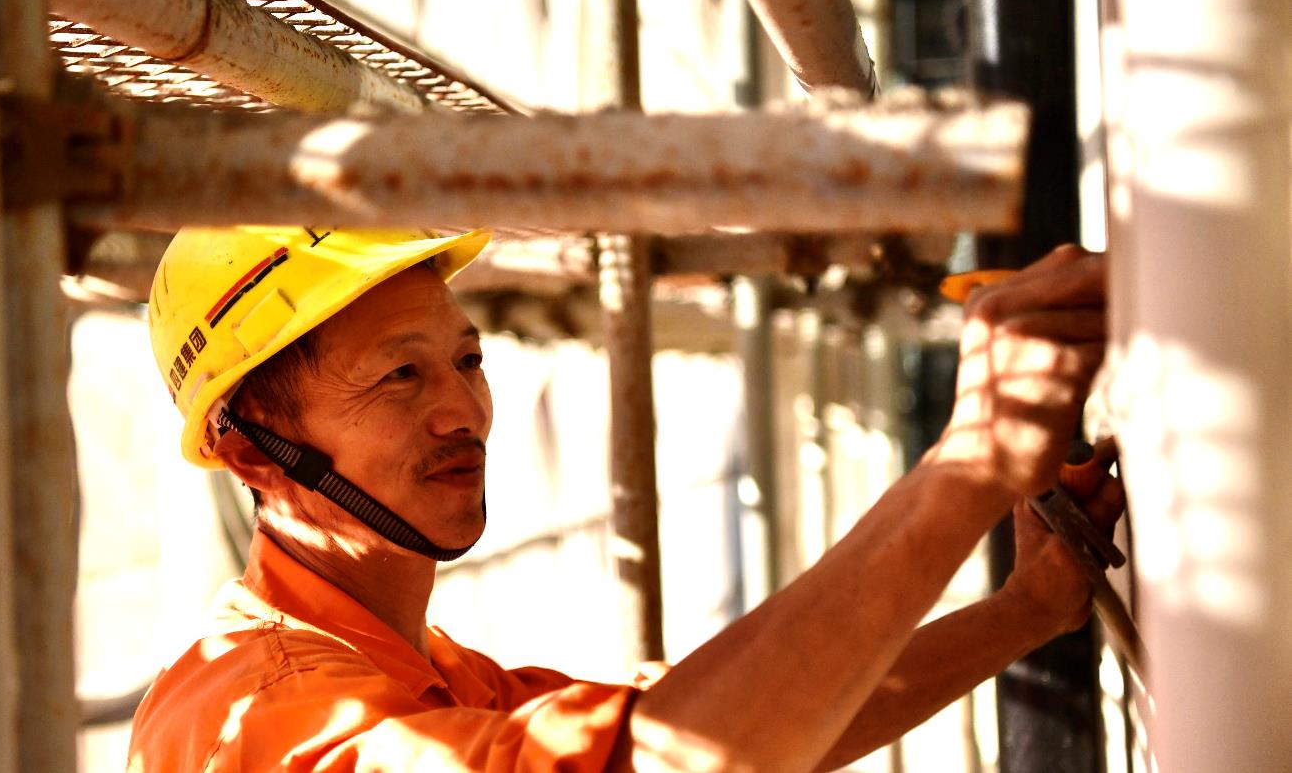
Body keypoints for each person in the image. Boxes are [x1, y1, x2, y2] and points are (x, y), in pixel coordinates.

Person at [129, 225, 1119, 771]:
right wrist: (968, 465)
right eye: (398, 376)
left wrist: (1028, 608)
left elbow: (760, 721)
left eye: (466, 360)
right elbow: (676, 760)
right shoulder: (267, 719)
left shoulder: (423, 672)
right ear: (250, 451)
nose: (462, 413)